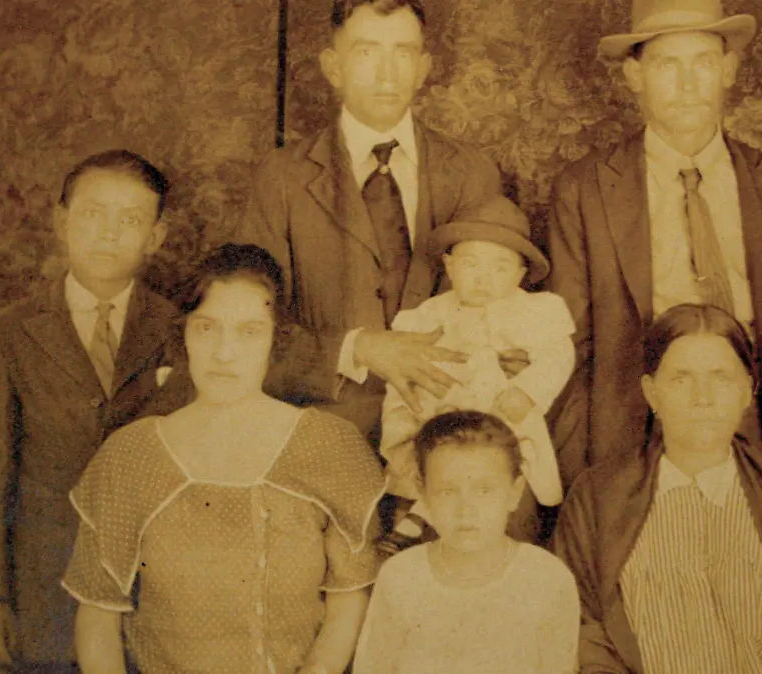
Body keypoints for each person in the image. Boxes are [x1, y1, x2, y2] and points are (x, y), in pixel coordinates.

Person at [63, 244, 386, 673]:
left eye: (249, 331)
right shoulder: (132, 454)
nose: (225, 352)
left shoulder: (328, 446)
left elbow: (349, 600)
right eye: (207, 328)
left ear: (277, 340)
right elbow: (98, 616)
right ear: (183, 336)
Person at [548, 0, 762, 486]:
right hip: (635, 424)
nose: (686, 84)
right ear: (634, 75)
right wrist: (583, 482)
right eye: (666, 64)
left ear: (728, 69)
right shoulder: (584, 189)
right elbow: (570, 347)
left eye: (702, 63)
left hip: (755, 418)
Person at [552, 304, 762, 674]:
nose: (702, 398)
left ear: (748, 391)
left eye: (722, 378)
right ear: (651, 393)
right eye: (681, 379)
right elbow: (579, 630)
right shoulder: (598, 499)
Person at [236, 0, 506, 443]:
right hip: (320, 431)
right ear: (332, 66)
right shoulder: (281, 177)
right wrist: (356, 348)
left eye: (402, 53)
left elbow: (505, 315)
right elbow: (246, 326)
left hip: (447, 432)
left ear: (423, 68)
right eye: (366, 52)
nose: (387, 74)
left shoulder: (473, 173)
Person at [0, 150, 177, 669]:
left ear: (156, 236)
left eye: (130, 220)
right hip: (47, 585)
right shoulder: (10, 331)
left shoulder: (180, 328)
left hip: (152, 585)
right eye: (92, 214)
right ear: (61, 222)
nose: (109, 233)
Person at [379, 196, 574, 548]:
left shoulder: (536, 311)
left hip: (503, 419)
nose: (484, 278)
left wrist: (528, 391)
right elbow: (402, 374)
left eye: (500, 267)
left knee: (499, 481)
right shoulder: (425, 316)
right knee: (435, 452)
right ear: (449, 266)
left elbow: (557, 356)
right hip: (440, 419)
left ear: (520, 274)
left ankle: (423, 515)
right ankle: (423, 510)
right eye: (471, 264)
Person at [354, 410, 580, 674]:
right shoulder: (400, 576)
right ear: (423, 492)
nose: (466, 510)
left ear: (514, 493)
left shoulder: (547, 579)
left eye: (484, 491)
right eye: (448, 492)